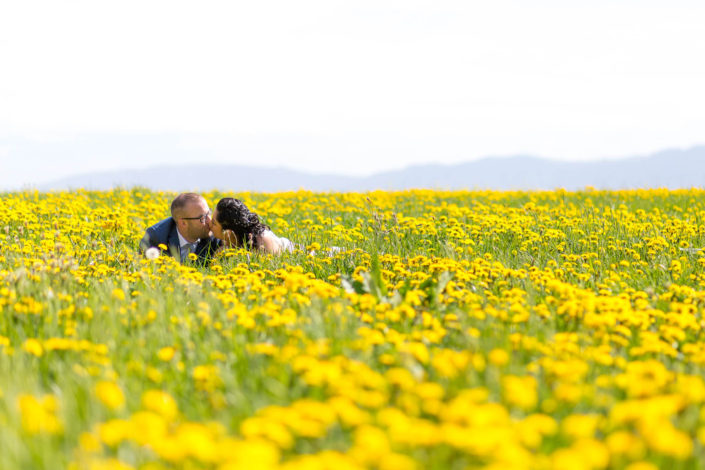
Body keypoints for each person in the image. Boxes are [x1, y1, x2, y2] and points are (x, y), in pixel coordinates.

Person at [139, 193, 222, 264]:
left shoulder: (215, 233)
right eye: (203, 218)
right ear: (183, 223)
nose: (210, 221)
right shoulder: (156, 238)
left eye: (209, 213)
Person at [209, 197, 293, 254]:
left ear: (228, 231)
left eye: (214, 223)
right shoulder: (230, 239)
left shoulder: (262, 241)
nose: (209, 224)